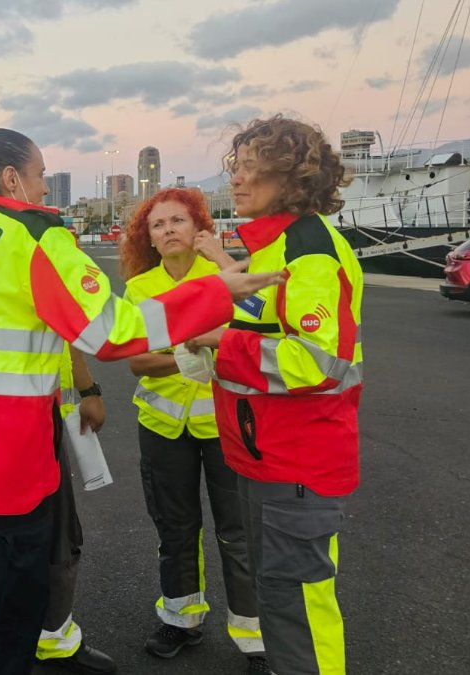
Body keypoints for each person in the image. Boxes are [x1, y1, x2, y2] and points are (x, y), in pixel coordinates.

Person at [0, 128, 284, 675]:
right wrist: (215, 293)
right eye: (41, 175)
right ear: (12, 179)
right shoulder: (35, 238)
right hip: (6, 475)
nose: (45, 190)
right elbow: (114, 331)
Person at [188, 115, 362, 675]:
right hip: (268, 458)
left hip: (297, 462)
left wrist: (218, 339)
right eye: (235, 167)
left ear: (292, 177)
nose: (236, 180)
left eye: (251, 168)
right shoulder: (276, 246)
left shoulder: (308, 250)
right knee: (283, 600)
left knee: (298, 611)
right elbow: (268, 325)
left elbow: (314, 362)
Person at [119, 188, 266, 673]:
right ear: (151, 240)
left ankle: (253, 636)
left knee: (236, 532)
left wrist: (186, 347)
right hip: (162, 428)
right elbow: (137, 361)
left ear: (198, 227)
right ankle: (182, 619)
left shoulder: (225, 279)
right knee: (176, 528)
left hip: (225, 427)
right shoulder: (141, 289)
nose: (168, 230)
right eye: (158, 225)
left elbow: (254, 338)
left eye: (178, 220)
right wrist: (194, 351)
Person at [36, 346, 116, 674]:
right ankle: (37, 639)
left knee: (57, 531)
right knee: (46, 533)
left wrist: (88, 390)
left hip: (39, 416)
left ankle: (51, 637)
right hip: (3, 421)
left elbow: (66, 333)